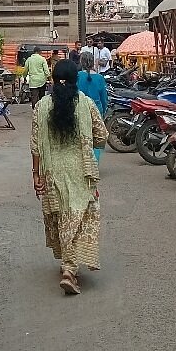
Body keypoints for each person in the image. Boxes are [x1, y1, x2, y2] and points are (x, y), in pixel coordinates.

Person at [31, 58, 109, 295]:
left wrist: (36, 174)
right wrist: (88, 144)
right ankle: (69, 269)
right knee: (78, 218)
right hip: (80, 172)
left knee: (61, 217)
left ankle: (68, 264)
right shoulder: (85, 104)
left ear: (53, 81)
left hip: (52, 170)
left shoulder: (42, 107)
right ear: (76, 81)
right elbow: (102, 135)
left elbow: (35, 145)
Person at [76, 51, 109, 159]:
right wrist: (104, 111)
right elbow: (104, 98)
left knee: (82, 137)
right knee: (96, 138)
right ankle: (94, 164)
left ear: (81, 61)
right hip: (97, 110)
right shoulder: (99, 78)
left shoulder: (77, 76)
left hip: (81, 109)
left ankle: (84, 163)